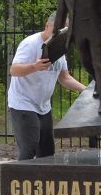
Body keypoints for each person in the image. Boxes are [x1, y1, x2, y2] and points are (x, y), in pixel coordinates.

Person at [8, 15, 87, 160]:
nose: (59, 35)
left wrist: (85, 89)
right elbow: (14, 70)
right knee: (29, 147)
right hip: (23, 103)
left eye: (64, 32)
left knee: (47, 151)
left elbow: (65, 78)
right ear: (47, 26)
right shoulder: (30, 44)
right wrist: (34, 66)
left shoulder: (59, 49)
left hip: (43, 106)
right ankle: (23, 180)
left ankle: (43, 181)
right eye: (56, 31)